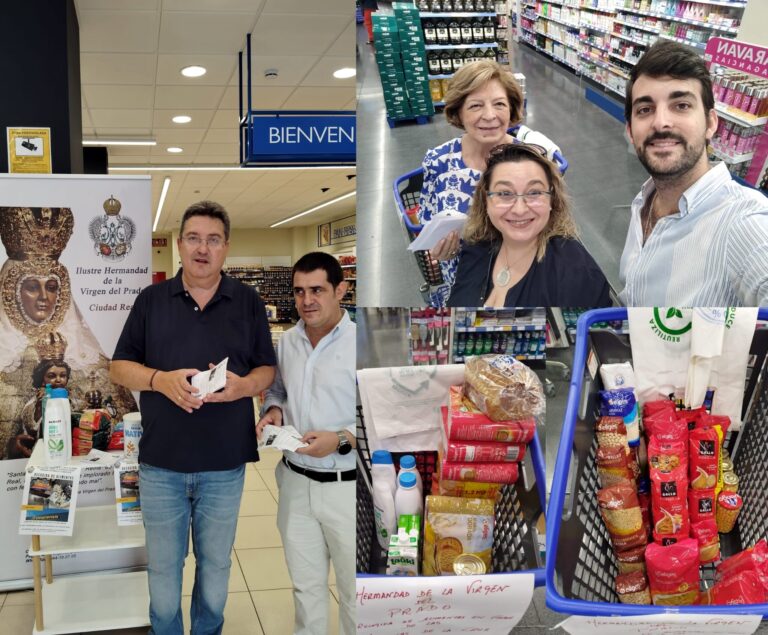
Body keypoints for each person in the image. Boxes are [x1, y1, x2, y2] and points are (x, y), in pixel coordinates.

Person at [110, 201, 276, 635]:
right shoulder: (151, 300)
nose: (203, 248)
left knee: (216, 569)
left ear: (226, 247)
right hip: (161, 463)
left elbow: (267, 369)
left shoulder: (247, 301)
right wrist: (158, 379)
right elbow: (119, 367)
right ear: (180, 244)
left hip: (225, 464)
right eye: (194, 238)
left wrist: (243, 386)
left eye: (213, 240)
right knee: (164, 574)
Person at [619, 40, 768, 306]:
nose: (661, 122)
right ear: (631, 131)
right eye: (645, 110)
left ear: (710, 123)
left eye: (681, 105)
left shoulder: (744, 222)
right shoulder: (644, 200)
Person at [256, 251, 355, 635]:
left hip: (348, 488)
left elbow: (383, 415)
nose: (306, 300)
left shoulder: (361, 342)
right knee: (305, 588)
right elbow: (277, 388)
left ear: (340, 290)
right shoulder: (288, 341)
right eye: (299, 291)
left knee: (354, 593)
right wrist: (273, 409)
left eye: (317, 290)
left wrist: (342, 437)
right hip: (295, 482)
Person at [418, 59, 561, 306]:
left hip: (522, 280)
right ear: (458, 112)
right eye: (475, 105)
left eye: (499, 104)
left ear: (511, 108)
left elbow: (553, 224)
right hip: (462, 280)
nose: (490, 115)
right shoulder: (437, 161)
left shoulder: (533, 160)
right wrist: (439, 249)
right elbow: (427, 220)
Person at [0, 206, 137, 460]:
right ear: (11, 289)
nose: (44, 297)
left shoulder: (91, 362)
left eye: (52, 287)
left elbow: (121, 426)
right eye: (32, 287)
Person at [448, 143, 611, 307]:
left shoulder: (576, 272)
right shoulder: (475, 245)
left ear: (552, 199)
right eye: (505, 193)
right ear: (486, 200)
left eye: (534, 193)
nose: (520, 210)